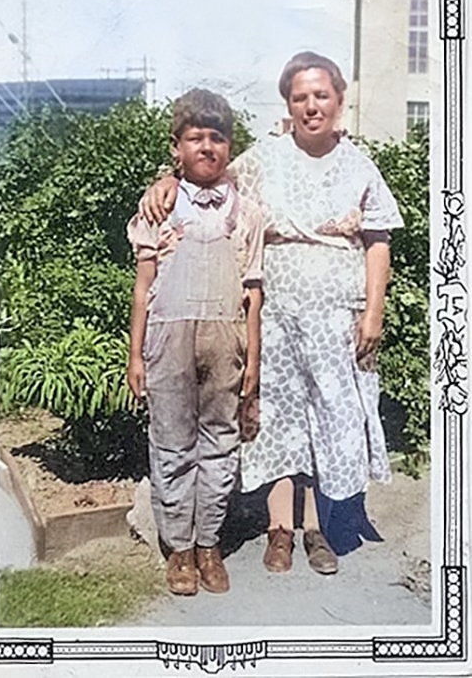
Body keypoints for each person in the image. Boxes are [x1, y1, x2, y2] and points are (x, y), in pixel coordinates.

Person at [140, 52, 404, 576]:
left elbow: (379, 242)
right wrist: (161, 180)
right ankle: (278, 530)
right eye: (300, 97)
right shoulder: (262, 158)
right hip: (276, 311)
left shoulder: (360, 165)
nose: (311, 106)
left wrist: (373, 313)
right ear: (288, 103)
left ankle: (316, 529)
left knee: (326, 416)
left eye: (321, 95)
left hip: (336, 317)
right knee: (278, 418)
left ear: (339, 99)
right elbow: (205, 174)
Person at [127, 88, 263, 596]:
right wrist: (135, 354)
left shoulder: (246, 212)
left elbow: (253, 293)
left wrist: (253, 362)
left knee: (220, 443)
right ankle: (179, 548)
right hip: (167, 336)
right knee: (171, 444)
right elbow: (143, 287)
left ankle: (210, 544)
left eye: (217, 138)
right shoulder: (159, 206)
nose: (207, 147)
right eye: (195, 138)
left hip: (225, 337)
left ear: (229, 146)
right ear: (176, 148)